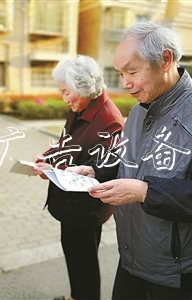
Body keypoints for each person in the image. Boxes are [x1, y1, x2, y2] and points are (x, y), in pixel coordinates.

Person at [71, 22, 192, 300]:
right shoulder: (137, 113)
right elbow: (134, 163)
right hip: (132, 254)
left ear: (165, 59)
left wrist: (146, 192)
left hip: (175, 267)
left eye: (132, 71)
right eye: (120, 73)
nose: (125, 83)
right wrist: (97, 171)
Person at [32, 55, 124, 300]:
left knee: (84, 263)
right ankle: (76, 295)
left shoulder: (109, 120)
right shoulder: (82, 107)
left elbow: (105, 168)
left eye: (65, 91)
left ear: (83, 87)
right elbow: (67, 142)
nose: (63, 98)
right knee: (76, 258)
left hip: (85, 208)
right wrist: (48, 159)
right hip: (71, 204)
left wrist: (62, 170)